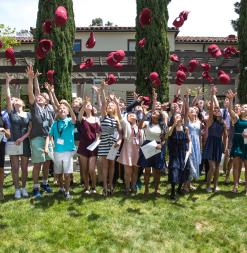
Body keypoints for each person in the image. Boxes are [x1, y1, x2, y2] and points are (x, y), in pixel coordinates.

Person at [26, 65, 54, 198]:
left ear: (46, 100)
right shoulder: (35, 107)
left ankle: (45, 183)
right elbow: (32, 93)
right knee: (37, 164)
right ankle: (36, 187)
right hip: (37, 138)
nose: (39, 97)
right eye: (39, 97)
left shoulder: (49, 109)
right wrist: (31, 79)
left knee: (47, 163)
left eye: (42, 97)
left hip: (48, 138)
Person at [5, 73, 31, 199]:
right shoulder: (11, 113)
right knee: (15, 168)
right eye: (14, 100)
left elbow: (30, 130)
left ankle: (24, 188)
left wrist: (23, 138)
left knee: (24, 168)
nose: (15, 101)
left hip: (24, 142)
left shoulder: (28, 114)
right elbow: (8, 98)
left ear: (23, 103)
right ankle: (16, 189)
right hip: (13, 142)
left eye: (18, 99)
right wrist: (7, 83)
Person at [45, 100, 77, 199]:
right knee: (59, 172)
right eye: (60, 109)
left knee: (67, 174)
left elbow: (74, 118)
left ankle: (67, 192)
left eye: (64, 108)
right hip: (57, 151)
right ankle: (61, 187)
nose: (62, 109)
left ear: (67, 112)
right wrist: (46, 146)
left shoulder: (70, 121)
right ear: (58, 112)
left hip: (68, 151)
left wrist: (68, 105)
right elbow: (49, 135)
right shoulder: (55, 123)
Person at [114, 96, 143, 195]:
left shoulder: (139, 128)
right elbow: (119, 116)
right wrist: (117, 104)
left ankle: (133, 187)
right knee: (128, 171)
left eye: (133, 115)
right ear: (127, 118)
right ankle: (127, 188)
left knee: (135, 170)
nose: (131, 116)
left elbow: (141, 140)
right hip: (127, 149)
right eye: (129, 115)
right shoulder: (126, 125)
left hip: (137, 150)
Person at [203, 86, 228, 193]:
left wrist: (225, 147)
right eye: (215, 110)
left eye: (219, 110)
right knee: (212, 167)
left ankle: (215, 185)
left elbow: (225, 136)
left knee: (217, 167)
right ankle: (208, 185)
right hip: (210, 144)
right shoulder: (210, 121)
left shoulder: (223, 123)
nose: (217, 111)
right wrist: (212, 94)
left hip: (218, 144)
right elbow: (213, 107)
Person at [98, 81, 120, 196]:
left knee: (112, 165)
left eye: (112, 105)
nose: (109, 106)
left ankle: (111, 184)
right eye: (109, 105)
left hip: (113, 144)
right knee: (105, 165)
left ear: (115, 108)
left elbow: (120, 133)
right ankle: (105, 187)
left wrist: (119, 141)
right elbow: (102, 104)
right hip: (104, 143)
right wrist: (102, 90)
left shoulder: (116, 119)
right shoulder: (103, 116)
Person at [138, 108, 166, 196]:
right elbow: (139, 127)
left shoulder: (162, 125)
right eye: (153, 112)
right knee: (146, 170)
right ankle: (146, 189)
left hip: (157, 147)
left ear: (159, 116)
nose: (154, 112)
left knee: (157, 170)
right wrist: (144, 115)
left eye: (156, 112)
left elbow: (164, 139)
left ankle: (156, 189)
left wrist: (161, 144)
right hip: (147, 146)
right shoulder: (146, 123)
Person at [77, 99, 101, 194]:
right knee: (84, 169)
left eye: (89, 104)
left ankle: (93, 187)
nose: (88, 105)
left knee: (92, 169)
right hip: (83, 145)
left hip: (93, 146)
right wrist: (84, 104)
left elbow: (99, 131)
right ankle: (86, 187)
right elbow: (79, 115)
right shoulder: (82, 118)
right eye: (86, 105)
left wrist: (97, 139)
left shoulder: (96, 119)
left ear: (92, 108)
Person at [166, 113, 191, 200]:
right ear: (173, 119)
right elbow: (167, 135)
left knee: (184, 170)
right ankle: (172, 191)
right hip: (174, 153)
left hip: (183, 153)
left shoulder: (185, 128)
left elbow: (188, 140)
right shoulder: (171, 128)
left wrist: (189, 149)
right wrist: (174, 124)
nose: (178, 118)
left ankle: (179, 189)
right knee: (174, 170)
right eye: (176, 117)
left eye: (179, 117)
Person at [226, 90, 247, 193]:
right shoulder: (236, 118)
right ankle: (235, 185)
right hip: (237, 143)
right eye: (243, 107)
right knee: (236, 166)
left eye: (246, 107)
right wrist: (231, 100)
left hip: (246, 144)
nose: (244, 108)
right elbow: (230, 110)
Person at [184, 89, 201, 190]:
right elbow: (186, 109)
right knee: (189, 164)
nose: (192, 111)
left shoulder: (198, 121)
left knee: (195, 163)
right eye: (191, 111)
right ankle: (185, 186)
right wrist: (187, 97)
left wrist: (198, 95)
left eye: (194, 110)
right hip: (189, 144)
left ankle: (189, 184)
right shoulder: (187, 121)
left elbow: (199, 135)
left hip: (197, 145)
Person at [0, 106, 11, 201]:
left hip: (1, 145)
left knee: (1, 169)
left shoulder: (3, 116)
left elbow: (9, 135)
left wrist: (3, 130)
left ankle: (1, 190)